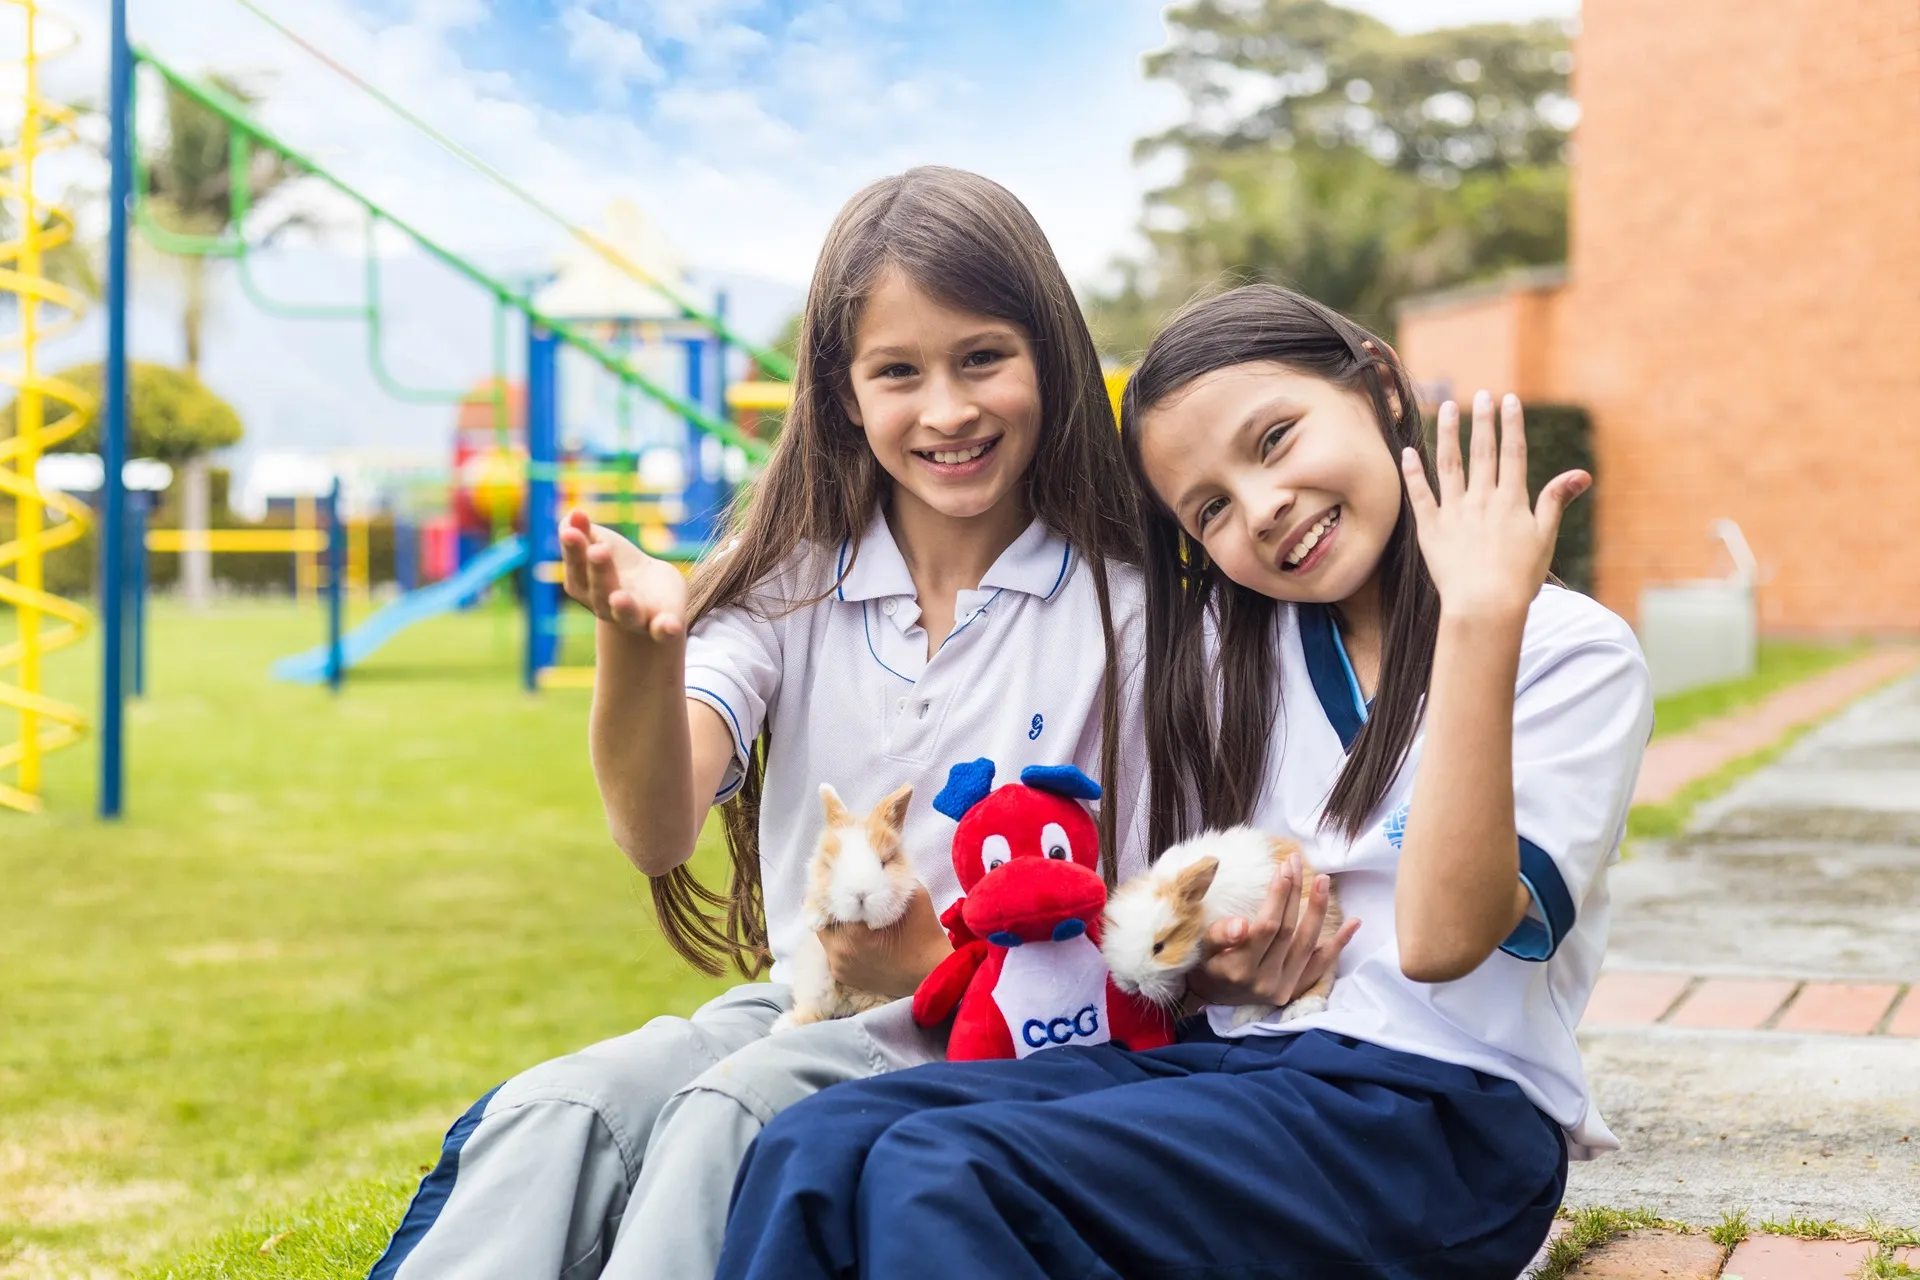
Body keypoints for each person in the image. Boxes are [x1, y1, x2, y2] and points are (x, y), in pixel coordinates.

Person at [716, 284, 1654, 1280]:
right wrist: (1210, 968)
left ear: (1379, 385)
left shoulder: (1566, 651)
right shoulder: (1228, 655)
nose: (1263, 507)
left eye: (1277, 437)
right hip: (1246, 1074)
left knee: (944, 1168)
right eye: (1209, 507)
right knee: (821, 1140)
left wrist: (1476, 622)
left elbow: (1441, 938)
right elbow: (1166, 950)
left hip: (1442, 1122)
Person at [373, 165, 1184, 1280]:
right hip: (807, 1002)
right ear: (845, 394)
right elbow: (656, 829)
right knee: (564, 1108)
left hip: (1012, 1041)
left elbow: (1146, 942)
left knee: (734, 1107)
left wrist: (933, 961)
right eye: (899, 371)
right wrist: (639, 647)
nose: (947, 409)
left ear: (1047, 353)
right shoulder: (787, 586)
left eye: (982, 357)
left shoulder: (1123, 606)